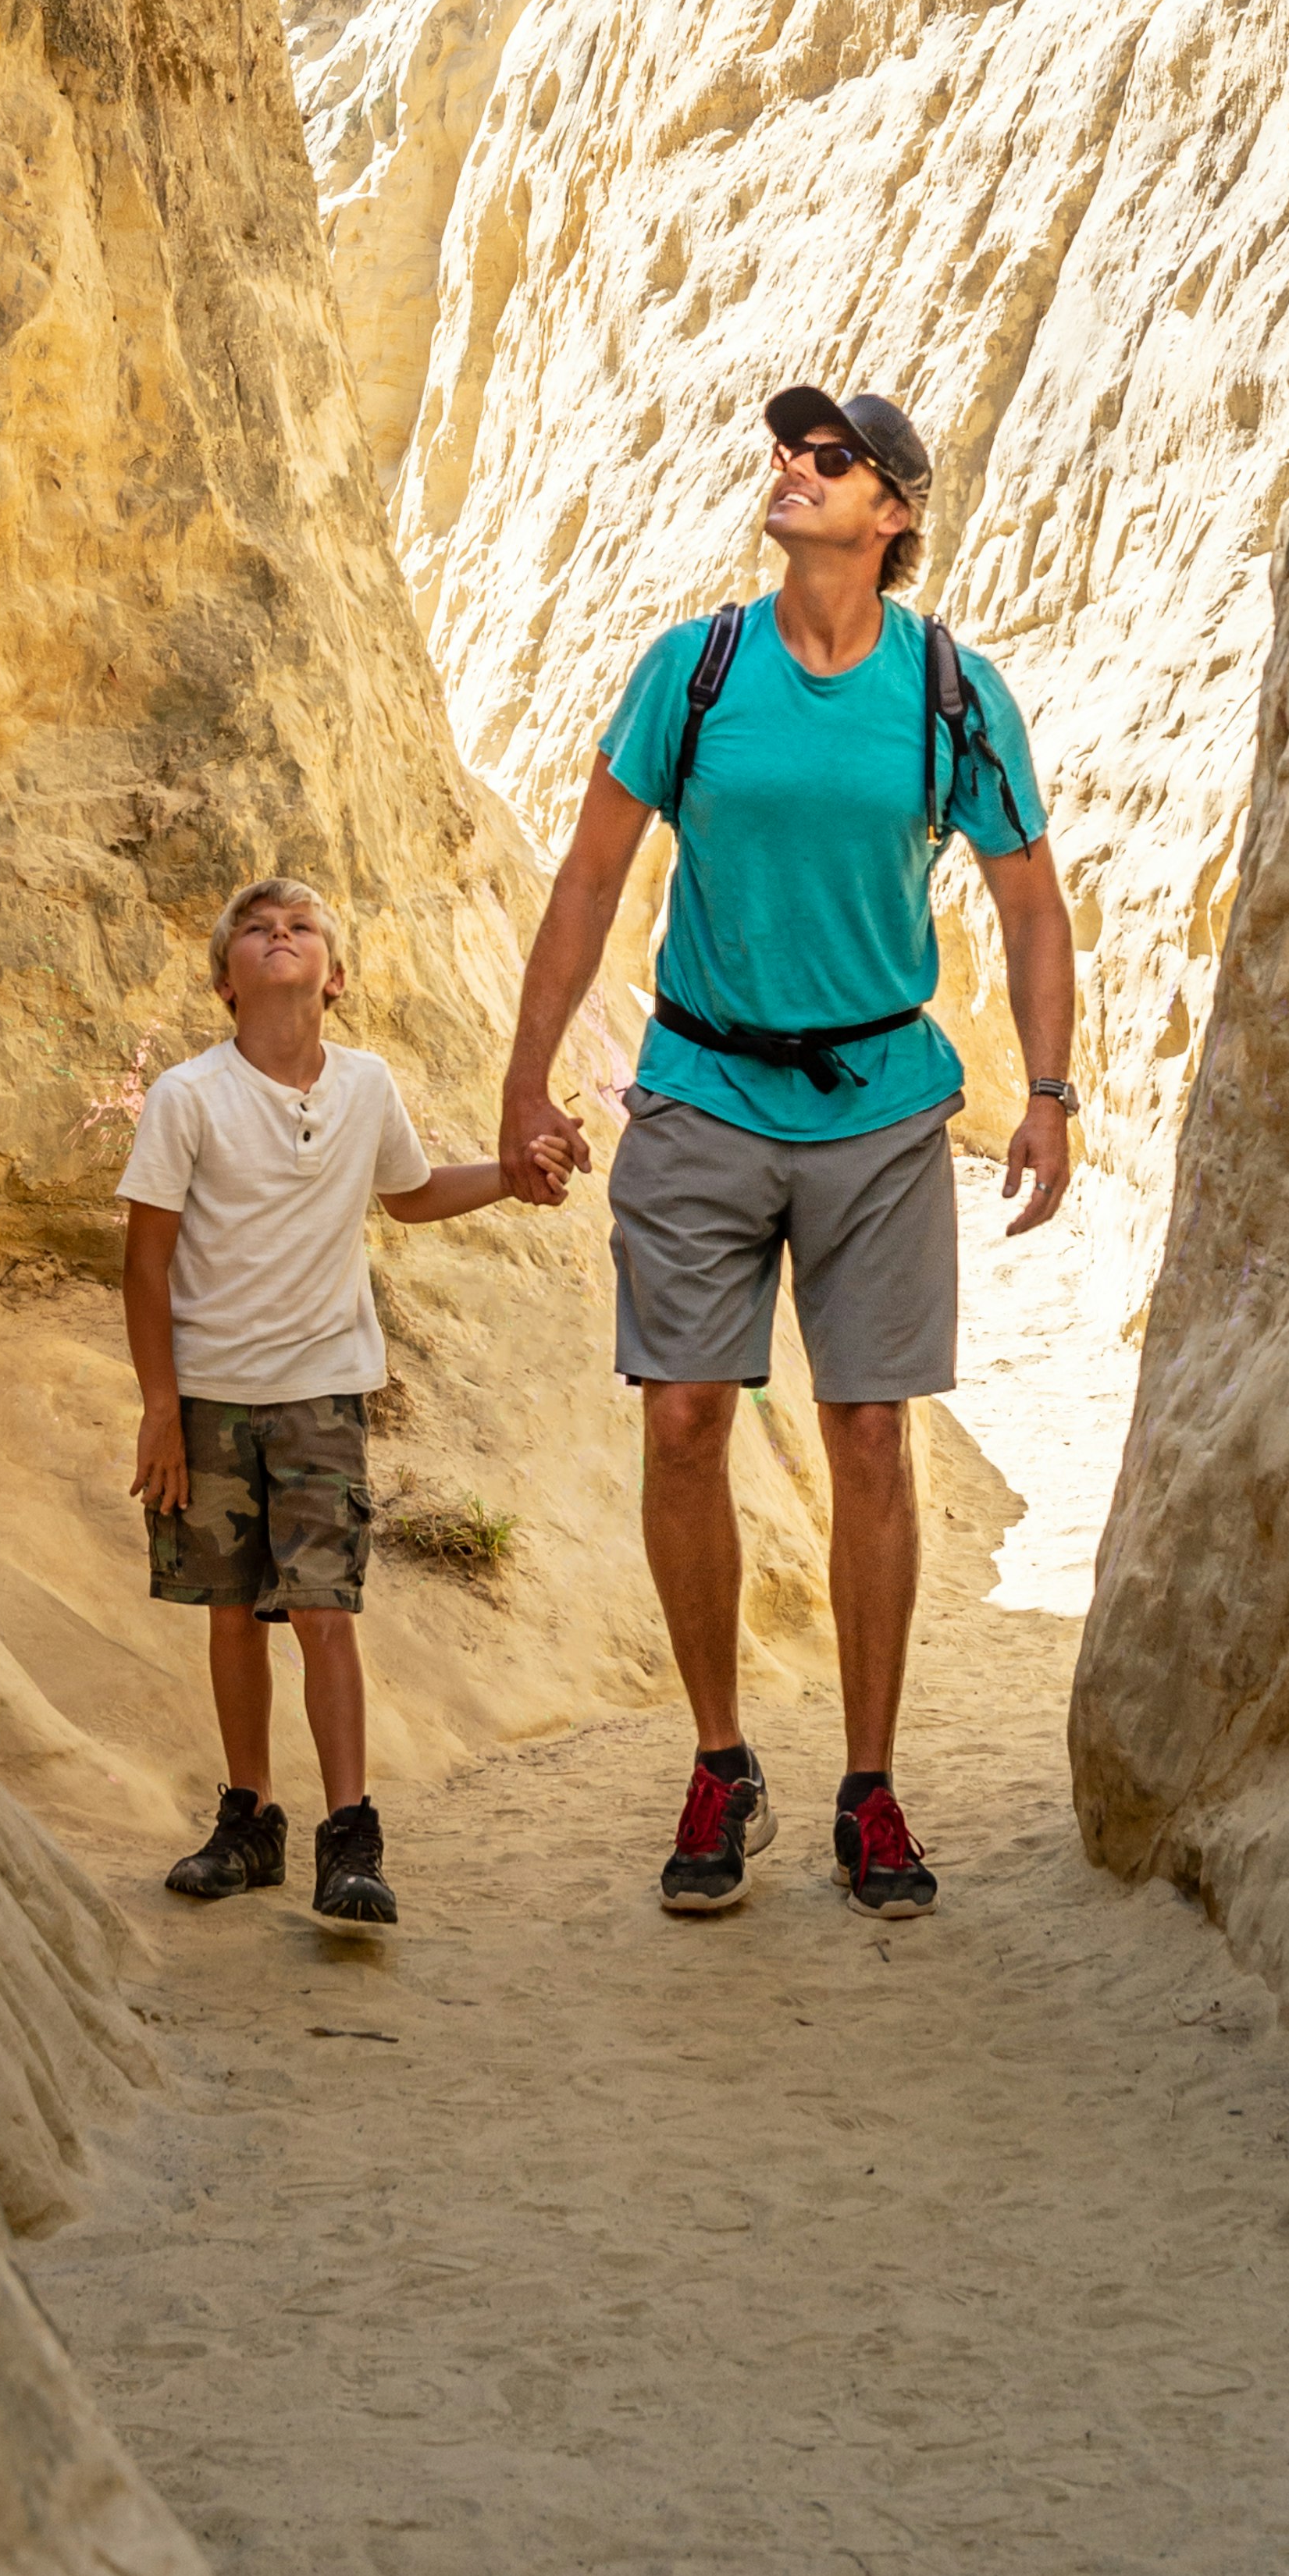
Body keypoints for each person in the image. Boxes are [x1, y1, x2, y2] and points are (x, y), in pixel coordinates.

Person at [501, 382, 1077, 1920]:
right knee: (683, 1413)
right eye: (786, 449)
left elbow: (1029, 899)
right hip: (697, 1087)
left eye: (830, 459)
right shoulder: (691, 672)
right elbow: (588, 876)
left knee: (871, 1435)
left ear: (892, 511)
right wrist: (525, 1074)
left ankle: (871, 1786)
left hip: (884, 1105)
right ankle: (718, 1757)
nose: (792, 470)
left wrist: (1053, 1089)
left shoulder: (953, 688)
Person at [121, 875, 557, 1926]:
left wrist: (509, 1174)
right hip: (214, 1396)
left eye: (301, 926)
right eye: (257, 930)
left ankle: (350, 1837)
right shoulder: (188, 1096)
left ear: (338, 975)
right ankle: (250, 1818)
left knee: (322, 1605)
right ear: (225, 980)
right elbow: (146, 1263)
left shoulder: (366, 1086)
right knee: (231, 1611)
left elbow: (406, 1195)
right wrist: (160, 1406)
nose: (279, 936)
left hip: (322, 1390)